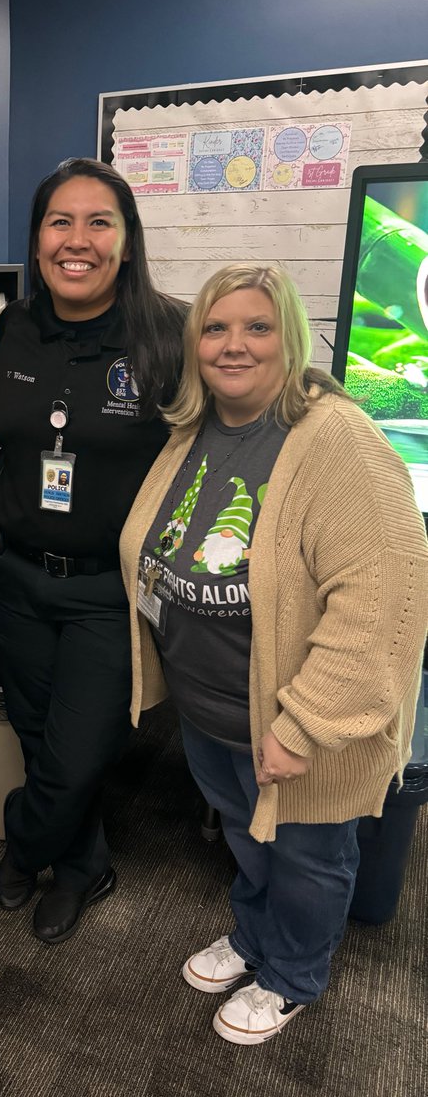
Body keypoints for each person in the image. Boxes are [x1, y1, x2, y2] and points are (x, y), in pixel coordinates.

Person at [119, 263, 428, 1043]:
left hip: (297, 723)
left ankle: (293, 974)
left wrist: (303, 723)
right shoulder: (196, 427)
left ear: (289, 338)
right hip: (213, 707)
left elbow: (383, 604)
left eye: (257, 327)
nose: (234, 345)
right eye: (215, 329)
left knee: (310, 861)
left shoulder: (336, 440)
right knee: (244, 837)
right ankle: (255, 938)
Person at [0, 157, 185, 943]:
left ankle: (24, 839)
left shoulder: (168, 332)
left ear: (128, 242)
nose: (78, 240)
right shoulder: (12, 328)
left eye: (99, 222)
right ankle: (82, 864)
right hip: (17, 578)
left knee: (76, 756)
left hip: (109, 590)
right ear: (37, 241)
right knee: (39, 740)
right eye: (58, 222)